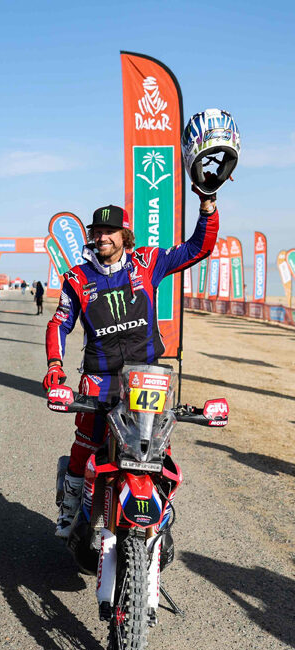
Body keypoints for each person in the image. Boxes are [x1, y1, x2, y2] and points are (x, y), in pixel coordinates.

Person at [43, 188, 218, 539]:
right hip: (98, 378)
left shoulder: (148, 262)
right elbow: (59, 323)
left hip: (147, 378)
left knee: (154, 450)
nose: (102, 237)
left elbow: (199, 248)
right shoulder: (76, 278)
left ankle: (158, 518)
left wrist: (207, 205)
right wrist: (54, 365)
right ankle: (70, 507)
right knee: (86, 445)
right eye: (97, 232)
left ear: (125, 235)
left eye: (110, 232)